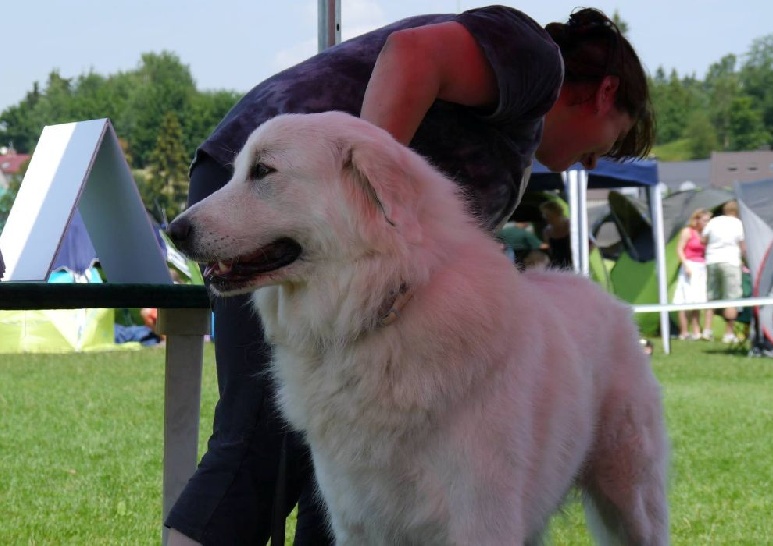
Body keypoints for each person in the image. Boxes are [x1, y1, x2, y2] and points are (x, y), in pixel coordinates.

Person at [165, 6, 655, 545]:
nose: (588, 165)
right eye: (612, 141)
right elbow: (412, 55)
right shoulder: (537, 59)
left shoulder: (513, 143)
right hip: (281, 186)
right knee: (258, 439)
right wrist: (371, 184)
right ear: (607, 93)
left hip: (330, 245)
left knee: (333, 481)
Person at [702, 200, 747, 344]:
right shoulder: (738, 224)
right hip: (731, 262)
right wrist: (746, 261)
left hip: (712, 261)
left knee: (711, 296)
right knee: (731, 298)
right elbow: (743, 246)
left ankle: (707, 330)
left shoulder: (714, 222)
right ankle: (728, 334)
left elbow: (703, 240)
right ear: (737, 212)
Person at [673, 208, 714, 340]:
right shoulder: (687, 232)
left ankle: (697, 330)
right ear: (697, 220)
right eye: (705, 220)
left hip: (702, 266)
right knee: (684, 299)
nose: (707, 223)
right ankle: (684, 331)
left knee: (698, 299)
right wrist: (685, 265)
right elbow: (679, 249)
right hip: (689, 265)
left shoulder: (704, 234)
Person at [540, 200, 573, 269]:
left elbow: (591, 243)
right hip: (557, 265)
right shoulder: (547, 231)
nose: (546, 218)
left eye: (548, 215)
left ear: (557, 213)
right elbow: (550, 250)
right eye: (545, 215)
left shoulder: (572, 225)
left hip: (573, 263)